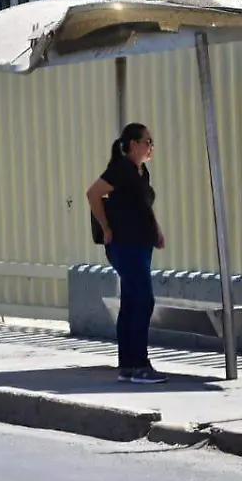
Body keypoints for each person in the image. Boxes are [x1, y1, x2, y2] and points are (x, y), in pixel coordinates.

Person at [86, 123, 168, 384]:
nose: (150, 147)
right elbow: (93, 193)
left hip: (141, 242)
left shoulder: (141, 171)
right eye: (147, 141)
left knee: (132, 301)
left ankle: (128, 365)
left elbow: (143, 206)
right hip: (125, 243)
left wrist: (156, 230)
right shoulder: (121, 168)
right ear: (133, 144)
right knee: (143, 300)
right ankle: (138, 364)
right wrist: (106, 227)